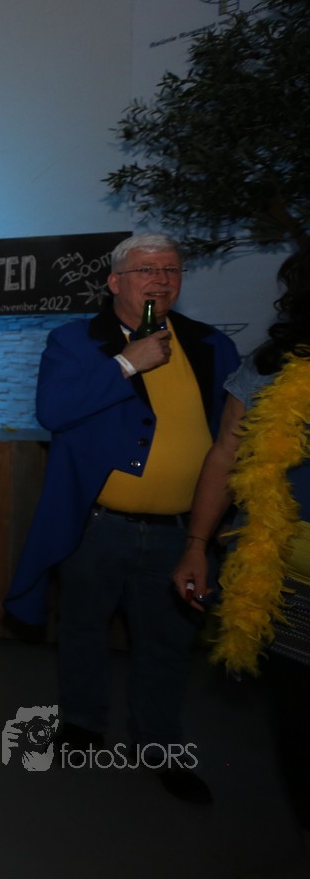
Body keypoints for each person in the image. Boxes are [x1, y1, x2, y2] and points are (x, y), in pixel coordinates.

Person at [4, 233, 237, 805]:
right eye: (145, 270)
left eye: (171, 269)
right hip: (97, 526)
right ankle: (83, 726)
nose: (160, 278)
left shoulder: (212, 345)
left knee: (168, 644)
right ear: (114, 283)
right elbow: (53, 411)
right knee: (82, 630)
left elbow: (233, 439)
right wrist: (128, 363)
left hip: (181, 533)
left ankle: (159, 745)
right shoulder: (74, 340)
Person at [172, 246, 310, 837]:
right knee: (300, 724)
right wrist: (197, 544)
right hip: (287, 587)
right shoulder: (268, 366)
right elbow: (225, 456)